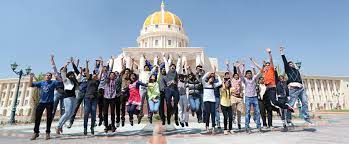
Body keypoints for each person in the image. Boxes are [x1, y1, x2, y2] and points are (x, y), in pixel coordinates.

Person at [250, 48, 294, 113]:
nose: (267, 66)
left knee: (274, 102)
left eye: (268, 65)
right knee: (266, 102)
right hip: (266, 89)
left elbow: (271, 60)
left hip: (272, 88)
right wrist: (252, 60)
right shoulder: (264, 71)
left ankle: (286, 107)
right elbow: (258, 66)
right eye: (266, 65)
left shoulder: (271, 69)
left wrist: (269, 53)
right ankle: (276, 109)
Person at [280, 47, 312, 124]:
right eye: (289, 64)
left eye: (292, 63)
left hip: (301, 88)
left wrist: (302, 85)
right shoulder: (288, 70)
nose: (291, 64)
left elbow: (300, 79)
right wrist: (282, 52)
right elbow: (285, 61)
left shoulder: (297, 71)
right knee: (290, 105)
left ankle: (306, 117)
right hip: (293, 89)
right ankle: (288, 119)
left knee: (305, 102)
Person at [51, 55, 79, 135]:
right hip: (64, 95)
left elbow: (77, 74)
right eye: (70, 75)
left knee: (69, 113)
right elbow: (61, 71)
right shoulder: (65, 79)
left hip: (70, 96)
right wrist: (66, 64)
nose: (72, 76)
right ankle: (57, 126)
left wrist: (74, 63)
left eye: (72, 75)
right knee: (65, 112)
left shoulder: (73, 81)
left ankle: (60, 126)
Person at [29, 72, 60, 140]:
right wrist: (31, 77)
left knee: (49, 118)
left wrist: (57, 76)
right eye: (47, 75)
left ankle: (48, 133)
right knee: (37, 117)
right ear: (45, 76)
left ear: (51, 77)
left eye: (49, 75)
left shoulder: (53, 82)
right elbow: (30, 84)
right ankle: (36, 132)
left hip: (50, 103)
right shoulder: (41, 83)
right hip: (41, 102)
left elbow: (61, 82)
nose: (48, 76)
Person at [236, 61, 262, 133]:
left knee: (257, 112)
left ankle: (259, 126)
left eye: (250, 73)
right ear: (246, 75)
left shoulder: (254, 79)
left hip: (254, 97)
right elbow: (240, 75)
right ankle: (247, 127)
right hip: (248, 98)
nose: (249, 75)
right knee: (247, 113)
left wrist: (259, 65)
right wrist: (238, 67)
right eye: (248, 74)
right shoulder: (245, 80)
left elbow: (260, 72)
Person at [99, 57, 119, 133]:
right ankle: (106, 126)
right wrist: (102, 62)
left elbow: (112, 70)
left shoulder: (115, 81)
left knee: (113, 113)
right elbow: (107, 71)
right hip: (106, 98)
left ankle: (113, 126)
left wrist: (113, 61)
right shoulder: (106, 80)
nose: (112, 75)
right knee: (105, 112)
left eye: (113, 75)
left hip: (113, 98)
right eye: (111, 75)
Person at [68, 57, 88, 128]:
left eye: (87, 71)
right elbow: (76, 70)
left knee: (87, 109)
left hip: (87, 95)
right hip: (80, 93)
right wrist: (73, 63)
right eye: (84, 71)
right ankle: (71, 122)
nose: (85, 72)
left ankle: (90, 123)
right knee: (75, 108)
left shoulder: (90, 77)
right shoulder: (80, 75)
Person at [162, 54, 182, 125]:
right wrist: (164, 57)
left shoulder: (176, 72)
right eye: (172, 66)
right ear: (170, 68)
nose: (173, 67)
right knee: (168, 104)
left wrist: (179, 59)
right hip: (168, 89)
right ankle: (168, 118)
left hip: (175, 89)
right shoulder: (168, 71)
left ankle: (176, 118)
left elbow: (179, 66)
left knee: (176, 104)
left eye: (174, 66)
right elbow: (167, 64)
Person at [82, 59, 101, 135]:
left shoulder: (98, 81)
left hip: (94, 99)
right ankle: (85, 128)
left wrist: (101, 64)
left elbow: (100, 72)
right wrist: (86, 63)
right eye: (94, 74)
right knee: (86, 113)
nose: (94, 75)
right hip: (87, 98)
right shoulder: (89, 79)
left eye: (96, 75)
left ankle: (92, 127)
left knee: (93, 113)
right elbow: (86, 72)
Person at [202, 67, 222, 134]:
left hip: (213, 100)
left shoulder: (214, 85)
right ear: (209, 78)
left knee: (213, 113)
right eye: (211, 78)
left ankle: (213, 127)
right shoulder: (205, 84)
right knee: (208, 113)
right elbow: (203, 78)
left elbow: (220, 82)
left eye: (213, 79)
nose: (212, 79)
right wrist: (209, 73)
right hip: (206, 100)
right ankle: (207, 127)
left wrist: (218, 76)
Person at [228, 62, 243, 130]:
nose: (236, 76)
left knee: (239, 111)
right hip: (233, 96)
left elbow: (240, 73)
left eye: (237, 75)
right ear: (233, 76)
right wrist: (228, 65)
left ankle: (239, 123)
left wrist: (239, 66)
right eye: (235, 75)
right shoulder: (232, 79)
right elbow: (230, 72)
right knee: (233, 108)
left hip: (239, 97)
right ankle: (233, 118)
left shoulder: (240, 80)